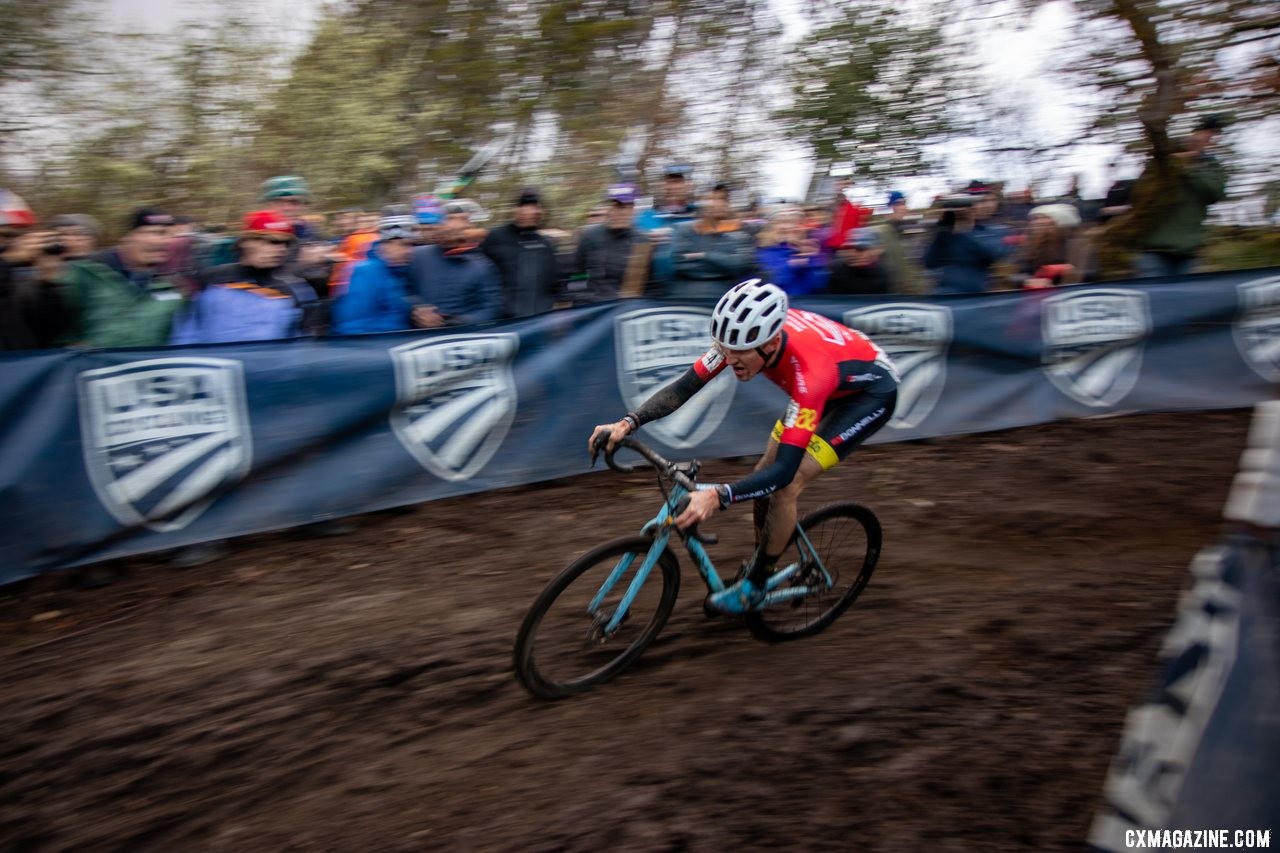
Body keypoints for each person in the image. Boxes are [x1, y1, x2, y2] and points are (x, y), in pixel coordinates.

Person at [589, 279, 899, 614]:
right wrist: (627, 422)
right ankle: (762, 560)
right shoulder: (739, 342)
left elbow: (783, 474)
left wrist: (718, 496)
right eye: (724, 349)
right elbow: (683, 388)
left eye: (740, 352)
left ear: (772, 342)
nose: (730, 359)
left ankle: (754, 586)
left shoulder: (810, 375)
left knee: (784, 486)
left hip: (868, 396)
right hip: (829, 377)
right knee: (760, 475)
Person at [170, 210, 320, 344]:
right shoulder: (210, 279)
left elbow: (300, 344)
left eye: (285, 243)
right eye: (271, 241)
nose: (280, 249)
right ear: (245, 242)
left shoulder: (295, 290)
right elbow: (186, 333)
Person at [59, 208, 185, 347]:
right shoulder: (86, 273)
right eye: (156, 233)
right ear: (127, 237)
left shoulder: (172, 287)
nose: (166, 241)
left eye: (171, 235)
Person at [1133, 115, 1228, 278]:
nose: (1209, 137)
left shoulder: (1211, 165)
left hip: (1188, 250)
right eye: (1206, 132)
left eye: (1213, 133)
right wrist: (1180, 161)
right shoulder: (1166, 157)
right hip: (1154, 247)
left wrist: (1191, 167)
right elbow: (1140, 192)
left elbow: (1215, 192)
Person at [406, 209, 503, 328]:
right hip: (417, 336)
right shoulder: (417, 255)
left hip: (459, 338)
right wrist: (416, 309)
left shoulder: (483, 267)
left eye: (461, 221)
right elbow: (402, 290)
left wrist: (459, 321)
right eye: (449, 219)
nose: (451, 228)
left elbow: (491, 308)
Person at [480, 188, 562, 319]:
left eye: (537, 207)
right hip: (505, 323)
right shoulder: (496, 238)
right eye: (528, 207)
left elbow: (554, 285)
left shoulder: (546, 244)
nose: (535, 212)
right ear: (516, 210)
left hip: (537, 324)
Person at [331, 215, 419, 333]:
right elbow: (353, 327)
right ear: (385, 244)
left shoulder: (395, 273)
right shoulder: (367, 271)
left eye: (412, 245)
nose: (409, 251)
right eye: (404, 245)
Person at [923, 182, 1012, 294]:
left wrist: (965, 228)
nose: (987, 206)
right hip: (945, 295)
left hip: (977, 297)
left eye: (991, 200)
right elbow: (930, 262)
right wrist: (944, 229)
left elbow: (993, 254)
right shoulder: (949, 231)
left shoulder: (996, 230)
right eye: (981, 201)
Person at [669, 186, 757, 300]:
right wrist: (722, 265)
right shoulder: (684, 229)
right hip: (687, 296)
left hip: (726, 297)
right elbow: (680, 262)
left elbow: (739, 264)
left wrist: (704, 255)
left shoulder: (741, 231)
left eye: (723, 199)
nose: (718, 204)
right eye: (712, 199)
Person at [569, 183, 651, 302]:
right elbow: (578, 274)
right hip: (593, 309)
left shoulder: (641, 241)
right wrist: (580, 299)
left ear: (633, 210)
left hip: (626, 309)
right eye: (612, 206)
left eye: (622, 207)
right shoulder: (589, 235)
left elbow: (649, 284)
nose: (615, 212)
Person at [755, 208, 827, 296]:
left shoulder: (812, 248)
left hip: (806, 304)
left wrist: (812, 261)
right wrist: (793, 264)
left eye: (798, 223)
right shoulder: (767, 251)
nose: (790, 226)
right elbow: (772, 280)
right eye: (782, 222)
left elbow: (819, 284)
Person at [827, 228, 892, 295]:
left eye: (860, 249)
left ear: (875, 251)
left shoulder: (883, 272)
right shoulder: (838, 270)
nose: (852, 254)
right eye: (849, 248)